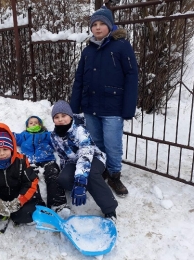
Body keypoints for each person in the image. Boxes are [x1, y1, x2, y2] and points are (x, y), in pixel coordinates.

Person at [69, 6, 138, 196]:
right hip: (91, 106)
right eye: (94, 25)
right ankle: (100, 171)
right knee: (97, 142)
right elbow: (79, 79)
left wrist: (128, 108)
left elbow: (132, 76)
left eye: (102, 24)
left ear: (110, 26)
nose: (98, 28)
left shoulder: (121, 46)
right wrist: (74, 107)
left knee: (113, 144)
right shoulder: (88, 50)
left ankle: (114, 175)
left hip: (113, 106)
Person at [50, 100, 118, 220]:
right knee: (63, 178)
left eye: (64, 116)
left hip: (93, 158)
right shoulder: (54, 136)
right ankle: (84, 187)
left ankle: (110, 209)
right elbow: (62, 156)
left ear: (70, 117)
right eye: (57, 117)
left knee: (90, 174)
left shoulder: (80, 131)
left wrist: (80, 181)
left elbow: (85, 156)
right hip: (74, 162)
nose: (60, 119)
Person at [13, 116, 69, 216]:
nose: (34, 124)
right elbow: (12, 137)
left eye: (36, 122)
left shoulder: (46, 135)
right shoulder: (24, 135)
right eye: (31, 123)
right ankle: (36, 204)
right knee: (29, 180)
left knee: (53, 174)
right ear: (27, 126)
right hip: (29, 162)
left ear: (41, 125)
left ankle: (58, 204)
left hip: (47, 159)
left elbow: (57, 138)